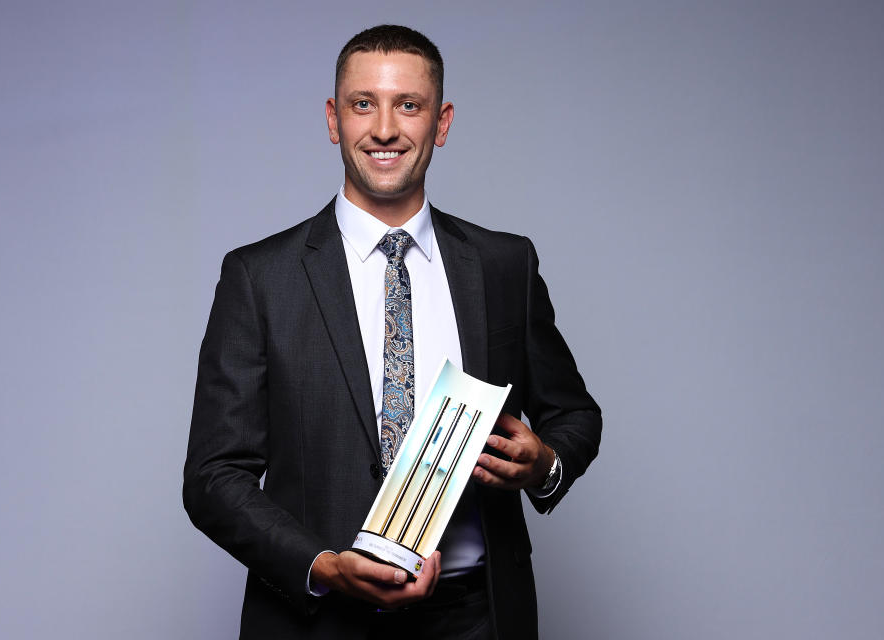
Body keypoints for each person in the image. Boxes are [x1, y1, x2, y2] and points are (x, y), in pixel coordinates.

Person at [183, 24, 601, 640]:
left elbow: (575, 415)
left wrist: (543, 464)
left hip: (477, 618)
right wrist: (321, 567)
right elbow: (214, 477)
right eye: (362, 105)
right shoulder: (258, 277)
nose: (384, 128)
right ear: (333, 119)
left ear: (443, 122)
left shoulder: (504, 264)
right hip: (319, 619)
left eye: (409, 105)